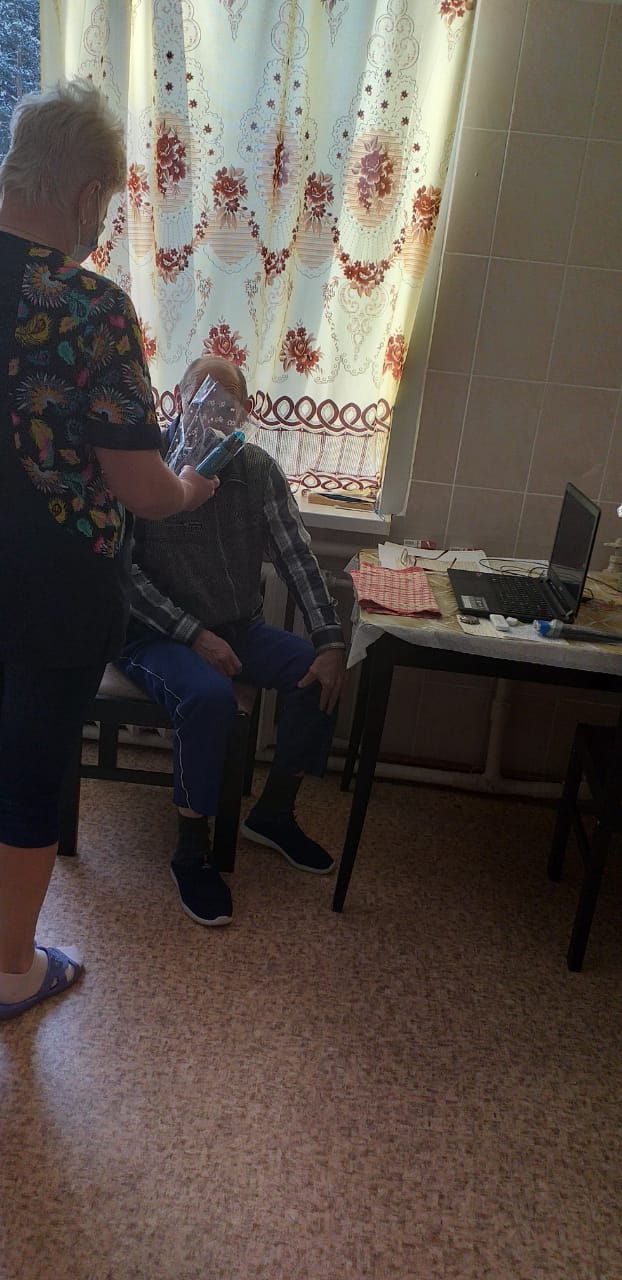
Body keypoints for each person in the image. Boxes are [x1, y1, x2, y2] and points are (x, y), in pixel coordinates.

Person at [0, 80, 219, 1021]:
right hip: (52, 592)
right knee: (26, 774)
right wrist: (192, 487)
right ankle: (12, 969)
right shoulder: (90, 307)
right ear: (89, 195)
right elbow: (141, 487)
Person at [118, 354, 347, 927]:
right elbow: (122, 573)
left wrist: (330, 640)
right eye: (204, 402)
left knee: (314, 673)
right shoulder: (147, 465)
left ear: (244, 412)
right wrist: (193, 635)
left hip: (237, 625)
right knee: (209, 698)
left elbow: (296, 554)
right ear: (179, 399)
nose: (215, 417)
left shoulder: (256, 470)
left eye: (228, 407)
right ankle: (190, 853)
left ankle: (273, 814)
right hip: (152, 633)